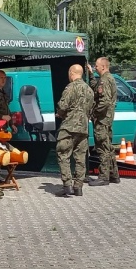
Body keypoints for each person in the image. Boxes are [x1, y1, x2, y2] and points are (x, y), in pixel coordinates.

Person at [55, 64, 94, 197]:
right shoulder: (89, 90)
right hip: (83, 129)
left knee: (63, 154)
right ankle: (78, 187)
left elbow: (63, 105)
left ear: (72, 73)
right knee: (80, 158)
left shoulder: (70, 87)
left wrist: (59, 113)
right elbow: (90, 110)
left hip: (69, 127)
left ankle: (67, 186)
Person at [87, 57, 120, 186]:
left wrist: (93, 113)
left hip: (102, 120)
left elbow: (104, 102)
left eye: (96, 66)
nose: (95, 67)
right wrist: (90, 74)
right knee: (108, 147)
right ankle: (114, 175)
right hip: (107, 119)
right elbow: (96, 89)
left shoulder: (105, 80)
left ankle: (103, 176)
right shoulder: (106, 79)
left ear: (103, 67)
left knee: (102, 147)